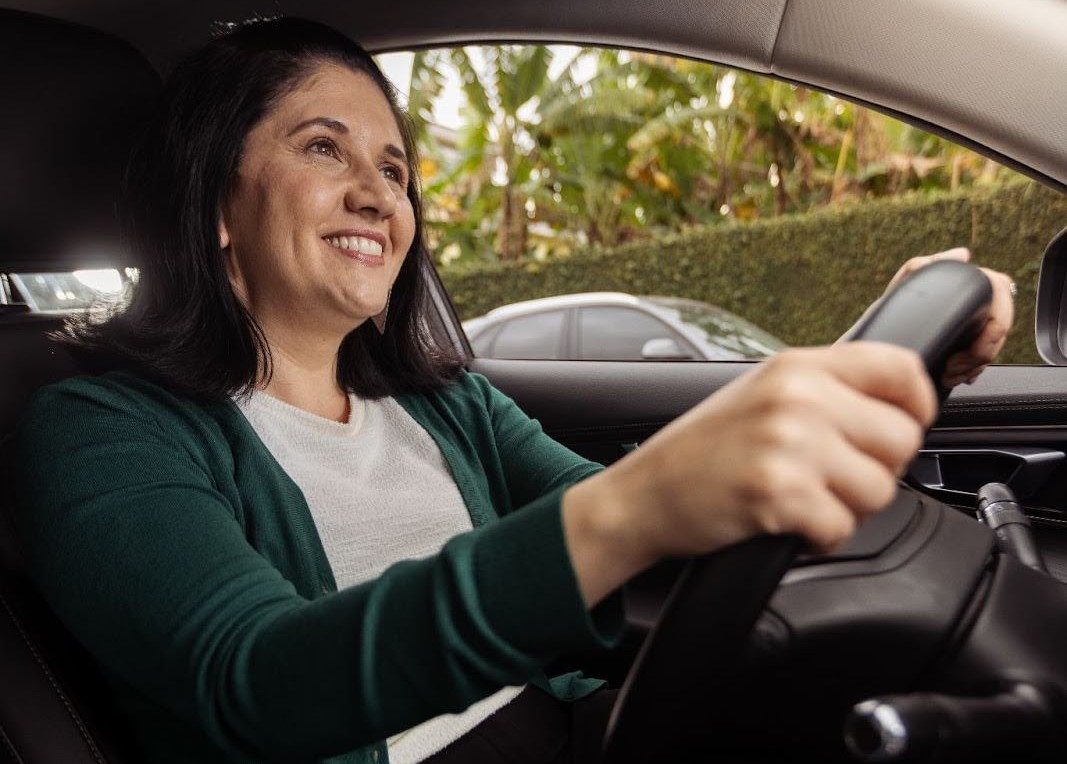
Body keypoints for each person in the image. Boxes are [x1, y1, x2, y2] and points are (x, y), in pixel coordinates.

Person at [10, 16, 1015, 764]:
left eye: (395, 168)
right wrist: (627, 508)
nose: (376, 192)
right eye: (323, 147)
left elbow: (685, 521)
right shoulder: (99, 427)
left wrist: (859, 379)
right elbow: (260, 681)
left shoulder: (446, 402)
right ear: (214, 199)